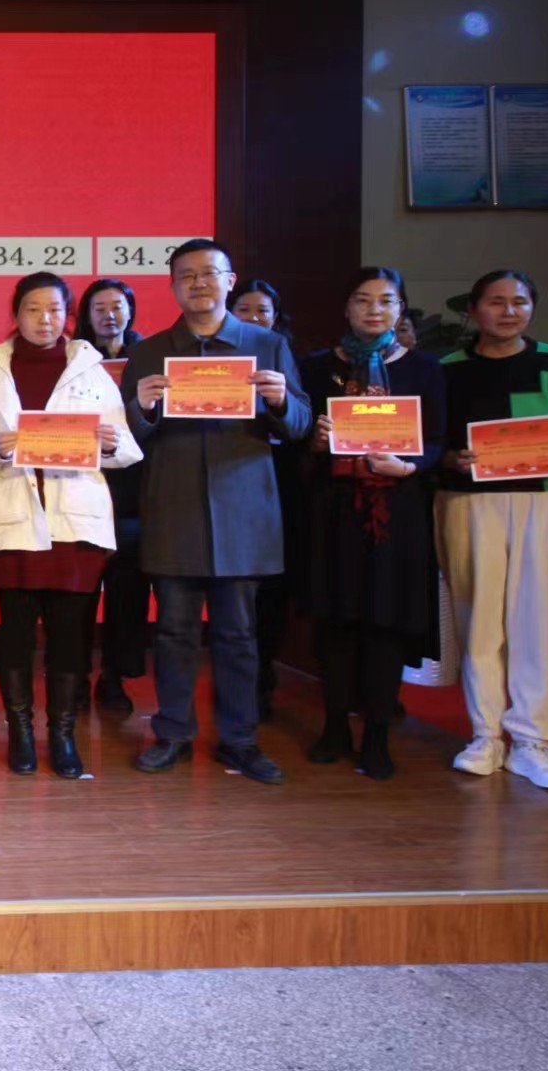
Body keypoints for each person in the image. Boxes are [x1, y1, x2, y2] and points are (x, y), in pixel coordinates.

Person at [122, 239, 311, 785]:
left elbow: (300, 425)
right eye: (186, 275)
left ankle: (240, 739)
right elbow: (125, 440)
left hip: (243, 511)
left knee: (238, 635)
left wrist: (280, 401)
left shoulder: (268, 345)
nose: (198, 283)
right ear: (172, 286)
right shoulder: (149, 352)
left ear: (230, 281)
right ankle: (173, 733)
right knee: (174, 633)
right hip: (174, 508)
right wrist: (142, 408)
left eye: (209, 273)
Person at [0, 273, 141, 778]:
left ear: (68, 315)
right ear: (16, 313)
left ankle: (62, 735)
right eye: (33, 309)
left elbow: (128, 448)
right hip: (14, 518)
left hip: (74, 522)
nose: (45, 320)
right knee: (15, 634)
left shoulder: (91, 369)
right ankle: (21, 732)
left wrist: (110, 443)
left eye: (55, 310)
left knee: (69, 636)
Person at [437, 270, 548, 790]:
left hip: (545, 500)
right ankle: (485, 736)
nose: (509, 312)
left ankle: (533, 742)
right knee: (479, 619)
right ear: (473, 310)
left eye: (519, 302)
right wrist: (450, 459)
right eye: (496, 302)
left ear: (532, 308)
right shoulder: (447, 370)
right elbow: (430, 439)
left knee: (540, 618)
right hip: (470, 502)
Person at [300, 268, 445, 781]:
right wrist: (315, 441)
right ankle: (335, 727)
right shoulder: (316, 368)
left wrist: (409, 465)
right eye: (363, 300)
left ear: (400, 309)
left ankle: (378, 735)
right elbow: (294, 438)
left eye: (386, 301)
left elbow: (438, 441)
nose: (374, 310)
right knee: (336, 623)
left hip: (396, 515)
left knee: (386, 622)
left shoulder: (423, 369)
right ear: (347, 308)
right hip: (334, 510)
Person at [230, 276, 305, 721]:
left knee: (273, 595)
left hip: (280, 490)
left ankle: (262, 682)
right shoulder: (206, 363)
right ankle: (240, 688)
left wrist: (279, 404)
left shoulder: (284, 358)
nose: (254, 318)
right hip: (231, 489)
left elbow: (301, 422)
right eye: (244, 310)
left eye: (263, 311)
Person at [76, 278, 146, 713]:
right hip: (82, 487)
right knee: (79, 592)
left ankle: (115, 677)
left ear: (130, 310)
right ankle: (76, 675)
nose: (109, 315)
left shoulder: (149, 357)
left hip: (134, 492)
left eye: (117, 306)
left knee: (127, 592)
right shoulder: (73, 359)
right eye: (99, 307)